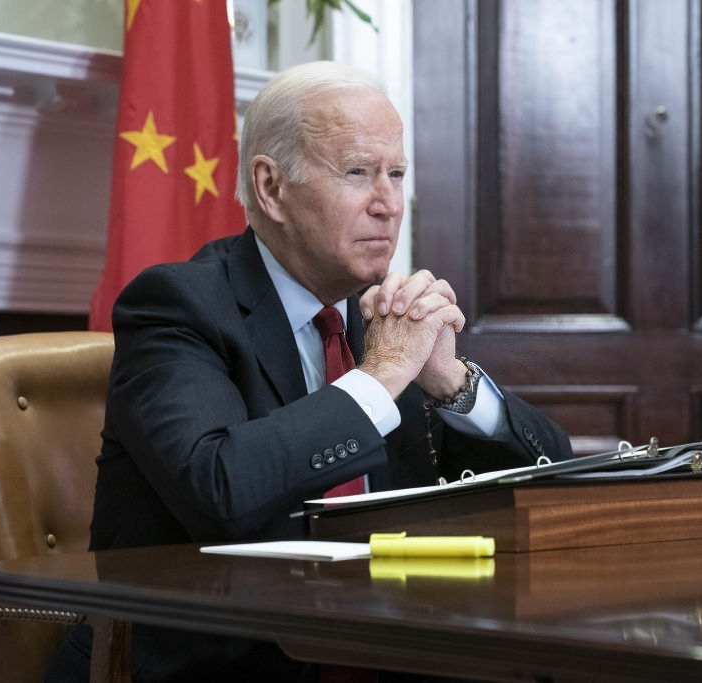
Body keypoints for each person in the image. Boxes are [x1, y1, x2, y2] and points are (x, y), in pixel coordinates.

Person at [46, 60, 572, 681]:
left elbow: (553, 487)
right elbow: (218, 489)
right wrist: (382, 376)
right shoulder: (178, 306)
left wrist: (451, 386)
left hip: (387, 648)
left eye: (396, 174)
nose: (389, 205)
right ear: (271, 187)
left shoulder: (379, 317)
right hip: (213, 666)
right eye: (358, 172)